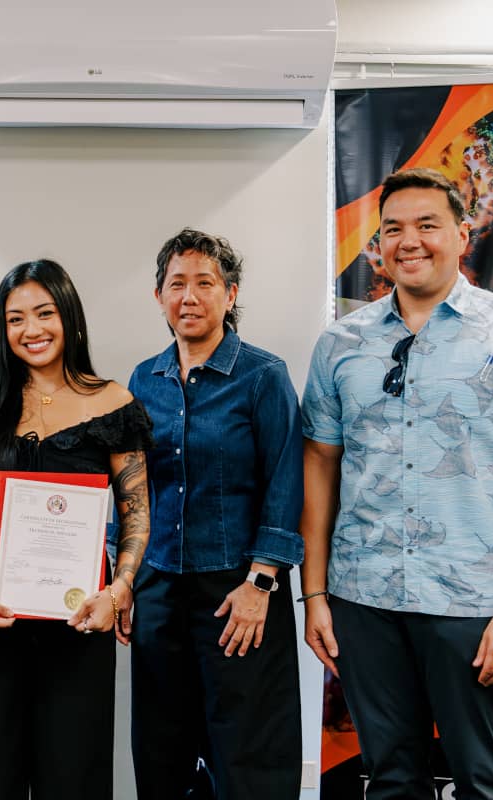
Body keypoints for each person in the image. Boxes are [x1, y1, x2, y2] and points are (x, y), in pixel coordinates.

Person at [300, 167, 493, 798]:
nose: (410, 241)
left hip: (473, 602)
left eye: (428, 225)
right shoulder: (341, 343)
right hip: (363, 598)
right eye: (393, 229)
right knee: (391, 777)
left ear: (462, 233)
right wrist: (315, 594)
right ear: (378, 244)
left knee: (484, 780)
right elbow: (319, 462)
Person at [0, 259, 153, 800]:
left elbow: (137, 514)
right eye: (15, 319)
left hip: (79, 619)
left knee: (72, 774)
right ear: (1, 330)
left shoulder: (113, 402)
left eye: (44, 313)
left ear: (70, 318)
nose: (31, 330)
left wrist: (118, 591)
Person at [127, 228, 304, 798]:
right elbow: (130, 487)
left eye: (205, 283)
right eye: (176, 284)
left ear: (230, 294)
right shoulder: (142, 380)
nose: (189, 297)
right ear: (159, 296)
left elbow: (286, 481)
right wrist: (122, 577)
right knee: (161, 750)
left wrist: (261, 583)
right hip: (158, 589)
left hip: (239, 593)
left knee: (247, 755)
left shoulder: (262, 375)